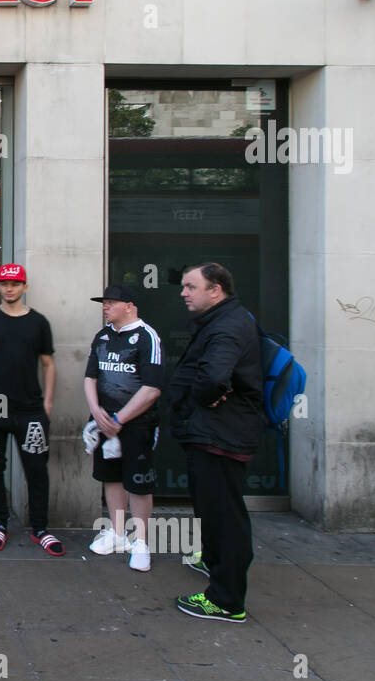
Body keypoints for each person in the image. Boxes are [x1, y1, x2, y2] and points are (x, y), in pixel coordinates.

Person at [167, 262, 262, 623]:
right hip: (213, 433)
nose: (183, 292)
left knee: (224, 515)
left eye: (191, 286)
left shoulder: (228, 327)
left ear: (215, 290)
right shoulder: (225, 320)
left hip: (220, 435)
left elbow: (213, 377)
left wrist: (205, 398)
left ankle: (226, 600)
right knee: (211, 507)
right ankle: (212, 560)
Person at [0, 264, 60, 555]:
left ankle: (40, 528)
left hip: (30, 409)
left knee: (36, 470)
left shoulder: (39, 323)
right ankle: (0, 522)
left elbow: (48, 364)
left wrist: (46, 403)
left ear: (25, 287)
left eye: (15, 284)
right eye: (5, 284)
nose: (9, 289)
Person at [83, 284, 163, 571]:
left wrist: (119, 420)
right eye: (104, 302)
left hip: (137, 425)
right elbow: (90, 377)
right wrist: (97, 414)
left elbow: (152, 389)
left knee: (138, 483)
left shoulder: (147, 337)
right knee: (111, 477)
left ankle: (141, 542)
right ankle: (117, 533)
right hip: (105, 423)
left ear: (129, 306)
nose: (105, 307)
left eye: (111, 302)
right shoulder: (102, 336)